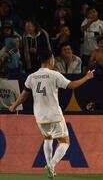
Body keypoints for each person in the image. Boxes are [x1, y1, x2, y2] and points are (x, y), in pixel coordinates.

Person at [8, 50, 95, 178]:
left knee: (47, 138)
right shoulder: (54, 75)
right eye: (53, 59)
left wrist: (13, 106)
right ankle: (51, 165)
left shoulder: (31, 77)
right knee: (65, 142)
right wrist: (87, 77)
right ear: (50, 60)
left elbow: (23, 96)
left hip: (39, 116)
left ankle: (50, 168)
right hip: (54, 114)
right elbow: (71, 85)